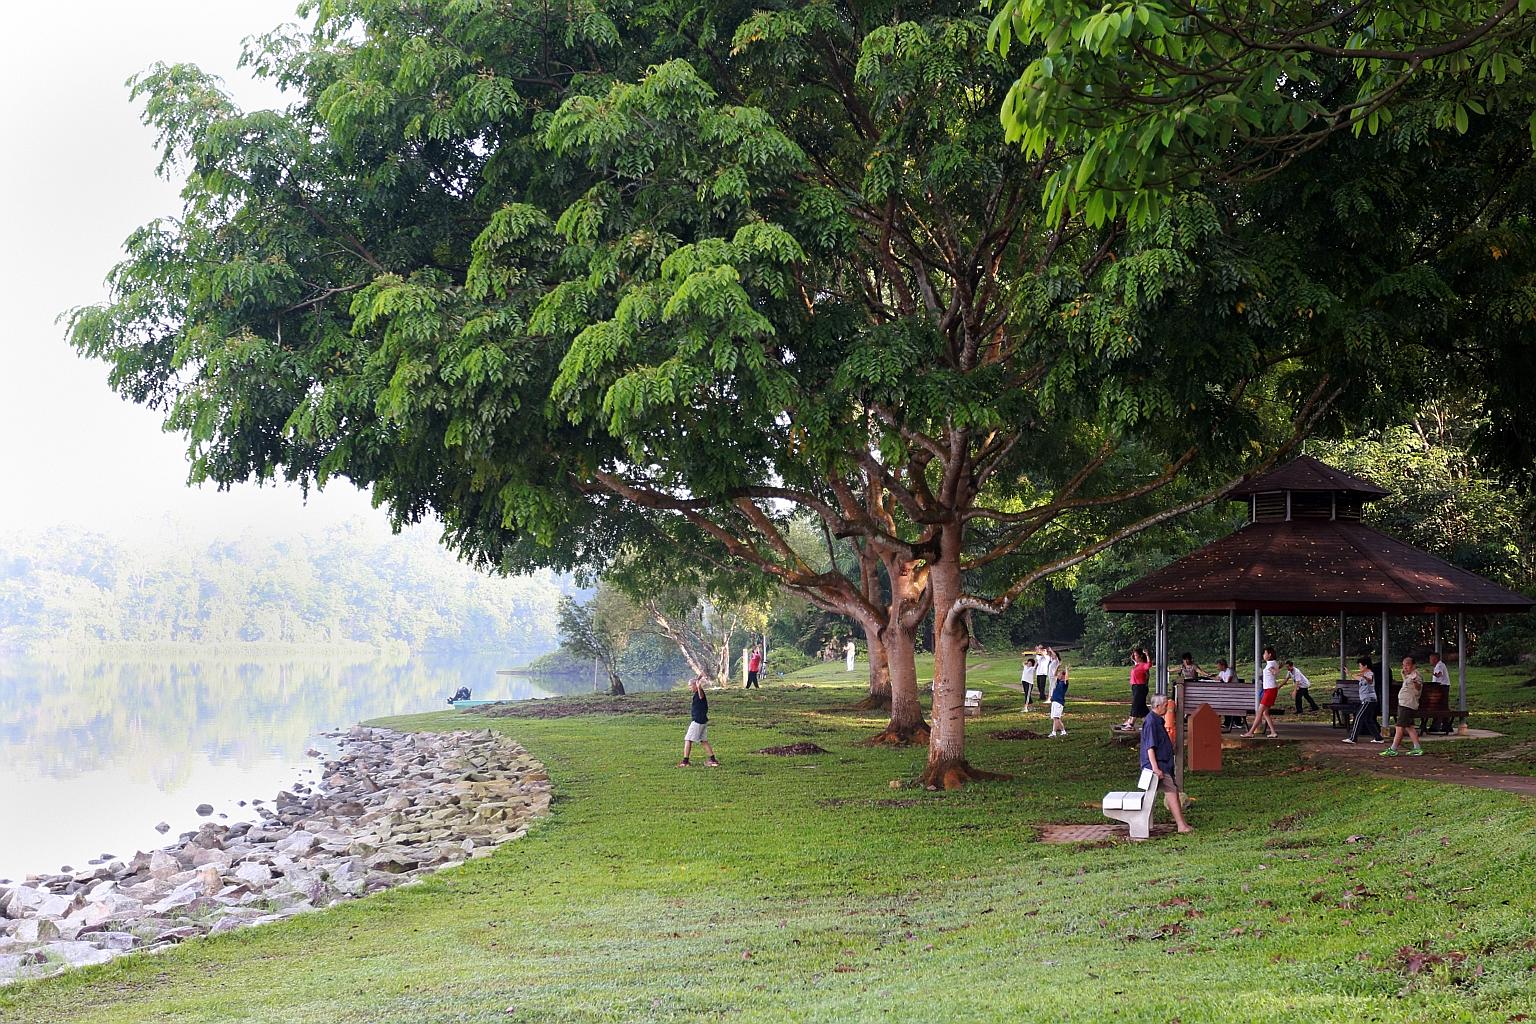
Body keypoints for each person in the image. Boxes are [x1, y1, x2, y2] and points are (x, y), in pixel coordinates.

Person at [1140, 694, 1192, 833]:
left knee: (1171, 791)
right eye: (1164, 705)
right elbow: (1149, 747)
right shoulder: (1151, 722)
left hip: (1163, 765)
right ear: (1157, 706)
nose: (1167, 708)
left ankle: (1180, 824)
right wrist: (1155, 768)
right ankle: (1181, 825)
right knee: (1172, 792)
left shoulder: (1157, 720)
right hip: (1157, 766)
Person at [1381, 656, 1424, 757]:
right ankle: (1417, 748)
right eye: (1403, 665)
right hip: (1404, 703)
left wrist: (1414, 681)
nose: (1405, 667)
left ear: (1413, 665)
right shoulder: (1410, 675)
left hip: (1407, 704)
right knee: (1409, 727)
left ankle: (1393, 749)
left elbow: (1418, 687)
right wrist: (1404, 675)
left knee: (1399, 727)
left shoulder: (1416, 675)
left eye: (1407, 665)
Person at [679, 676, 720, 767]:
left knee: (688, 739)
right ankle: (713, 760)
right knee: (703, 741)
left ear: (695, 685)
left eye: (690, 686)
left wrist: (699, 687)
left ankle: (685, 762)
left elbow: (701, 696)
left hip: (698, 721)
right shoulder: (697, 693)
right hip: (703, 721)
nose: (689, 688)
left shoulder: (700, 693)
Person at [1343, 656, 1383, 744]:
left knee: (1358, 717)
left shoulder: (1369, 673)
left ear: (1365, 666)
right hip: (1369, 700)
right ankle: (1378, 738)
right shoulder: (1363, 675)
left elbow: (1370, 681)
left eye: (1360, 665)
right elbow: (1356, 678)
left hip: (1369, 700)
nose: (1359, 667)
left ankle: (1353, 738)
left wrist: (1364, 676)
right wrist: (1349, 673)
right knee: (1368, 720)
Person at [1244, 647, 1281, 738]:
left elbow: (1276, 672)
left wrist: (1275, 671)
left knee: (1260, 712)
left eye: (1265, 653)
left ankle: (1250, 732)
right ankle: (1273, 732)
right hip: (1269, 689)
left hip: (1270, 690)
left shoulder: (1271, 663)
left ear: (1269, 654)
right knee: (1265, 713)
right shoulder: (1271, 663)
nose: (1263, 655)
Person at [1118, 648, 1151, 732]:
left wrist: (1147, 654)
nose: (1134, 656)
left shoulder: (1143, 665)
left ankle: (1131, 723)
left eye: (1136, 655)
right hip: (1135, 687)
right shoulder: (1137, 665)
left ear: (1140, 656)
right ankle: (1150, 724)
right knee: (1142, 709)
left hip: (1140, 688)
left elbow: (1149, 664)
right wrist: (1133, 657)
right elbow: (1133, 659)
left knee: (1135, 705)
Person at [1048, 661, 1069, 737]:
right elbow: (1054, 674)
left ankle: (1053, 733)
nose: (1059, 675)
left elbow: (1067, 678)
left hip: (1059, 702)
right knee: (1055, 718)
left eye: (1060, 674)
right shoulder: (1059, 681)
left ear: (1063, 676)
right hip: (1054, 700)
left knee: (1056, 717)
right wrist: (1058, 666)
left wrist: (1066, 670)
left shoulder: (1064, 683)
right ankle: (1063, 732)